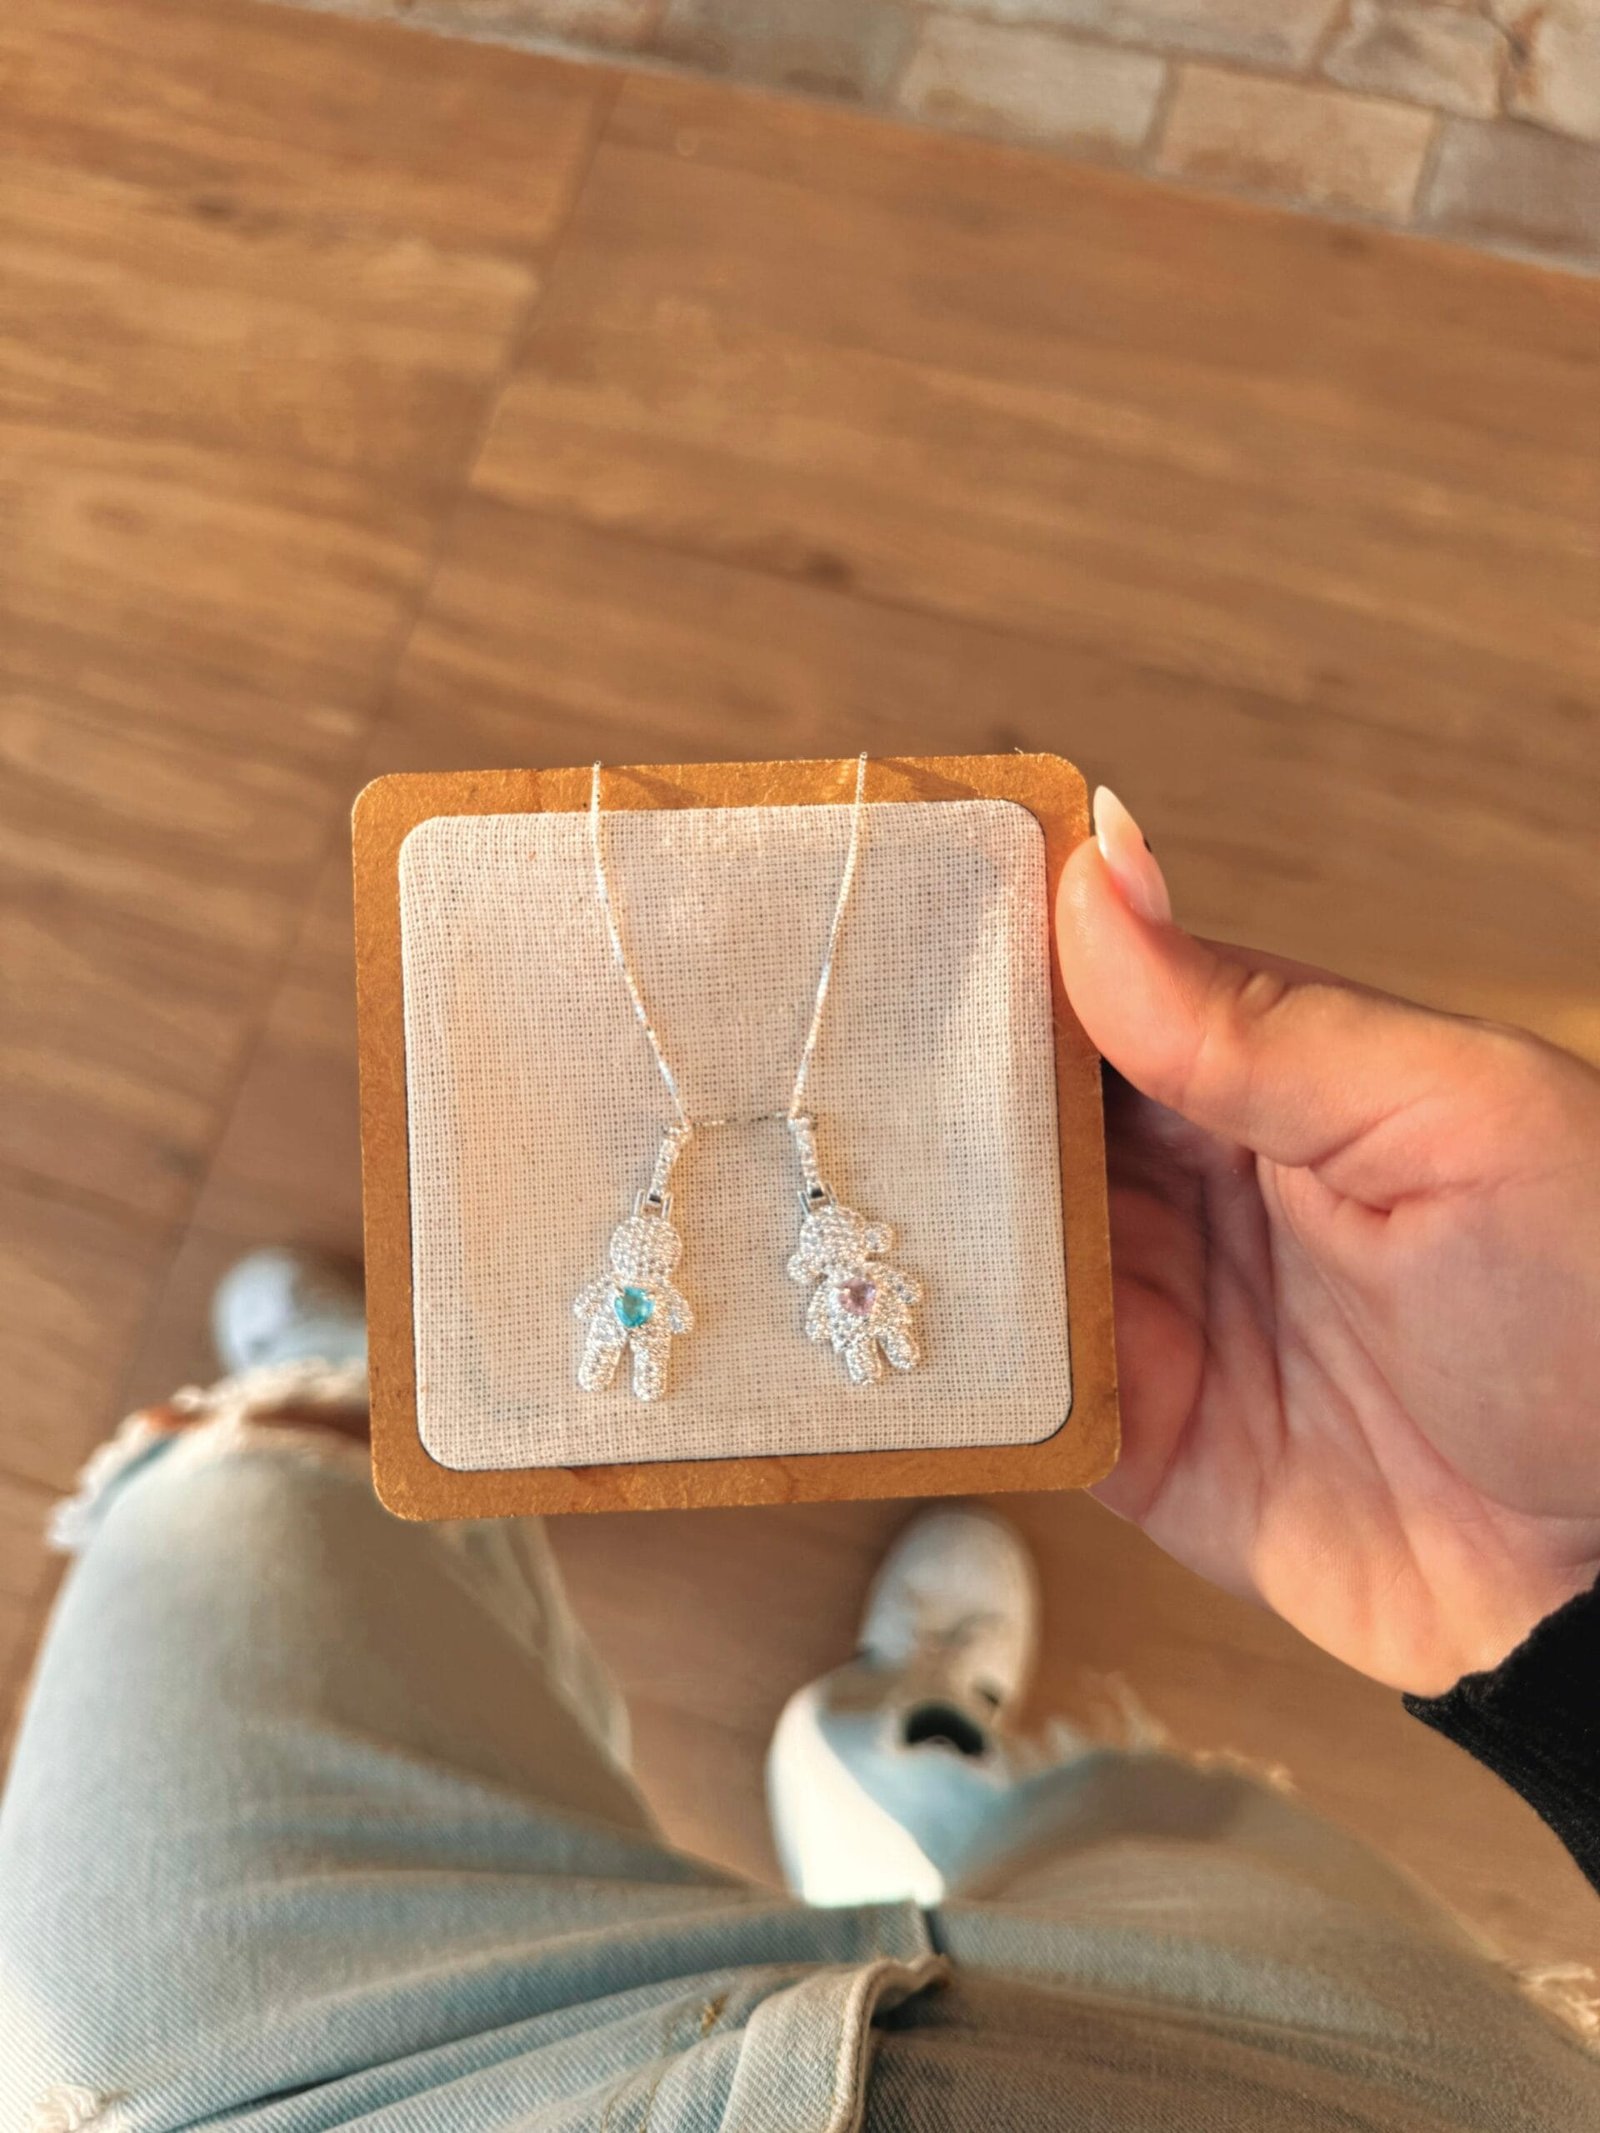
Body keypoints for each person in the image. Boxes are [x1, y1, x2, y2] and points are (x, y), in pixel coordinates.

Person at [4, 787, 1599, 2133]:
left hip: (351, 2087)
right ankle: (918, 1755)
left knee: (240, 1520)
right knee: (1160, 1841)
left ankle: (329, 1396)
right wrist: (1566, 1577)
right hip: (1270, 2051)